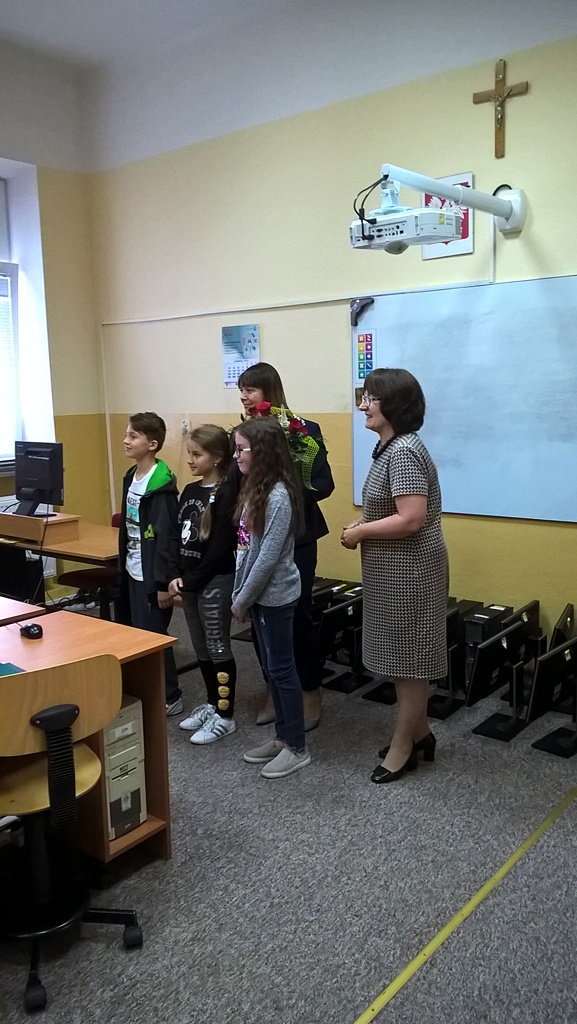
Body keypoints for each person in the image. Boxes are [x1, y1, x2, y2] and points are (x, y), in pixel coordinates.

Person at [341, 369, 448, 784]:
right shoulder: (390, 448)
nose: (363, 406)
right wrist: (364, 523)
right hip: (394, 571)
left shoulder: (402, 451)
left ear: (394, 405)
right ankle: (421, 735)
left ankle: (403, 747)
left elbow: (411, 519)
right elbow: (392, 508)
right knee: (404, 658)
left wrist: (360, 532)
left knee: (410, 663)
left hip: (411, 572)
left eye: (371, 399)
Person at [237, 362, 334, 730]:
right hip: (255, 537)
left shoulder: (303, 430)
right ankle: (273, 688)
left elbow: (324, 484)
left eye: (251, 390)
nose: (244, 397)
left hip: (298, 536)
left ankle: (309, 691)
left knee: (297, 616)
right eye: (241, 390)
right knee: (259, 614)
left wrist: (285, 484)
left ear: (270, 392)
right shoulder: (243, 434)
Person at [231, 417, 310, 780]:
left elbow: (267, 558)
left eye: (241, 449)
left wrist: (242, 599)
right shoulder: (256, 490)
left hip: (275, 596)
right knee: (271, 671)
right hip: (257, 594)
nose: (236, 456)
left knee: (282, 669)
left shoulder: (278, 496)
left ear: (261, 452)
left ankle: (297, 747)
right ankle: (281, 738)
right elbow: (246, 550)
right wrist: (241, 593)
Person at [167, 425, 238, 744]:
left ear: (218, 457)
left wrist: (190, 580)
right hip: (189, 581)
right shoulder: (190, 490)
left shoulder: (227, 493)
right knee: (201, 646)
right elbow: (177, 535)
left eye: (197, 454)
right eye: (189, 454)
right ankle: (212, 703)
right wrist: (175, 575)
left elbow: (221, 547)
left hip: (214, 580)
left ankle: (225, 715)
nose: (190, 460)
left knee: (218, 645)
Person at [118, 411, 182, 715]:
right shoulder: (131, 476)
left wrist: (162, 583)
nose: (126, 441)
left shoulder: (159, 485)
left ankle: (171, 695)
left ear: (152, 444)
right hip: (133, 567)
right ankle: (146, 688)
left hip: (152, 575)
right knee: (137, 632)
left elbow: (167, 538)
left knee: (154, 636)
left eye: (133, 436)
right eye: (126, 434)